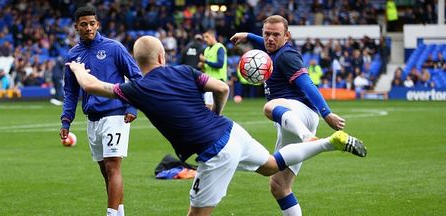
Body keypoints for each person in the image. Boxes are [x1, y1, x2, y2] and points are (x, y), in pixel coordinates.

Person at [66, 35, 367, 216]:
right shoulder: (184, 70)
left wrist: (79, 70)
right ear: (162, 56)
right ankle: (329, 142)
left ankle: (329, 143)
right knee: (272, 166)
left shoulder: (137, 88)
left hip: (215, 152)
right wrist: (216, 114)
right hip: (232, 130)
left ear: (136, 59)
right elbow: (222, 88)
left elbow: (94, 87)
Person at [230, 15, 357, 216]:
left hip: (300, 113)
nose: (270, 39)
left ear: (287, 36)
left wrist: (327, 113)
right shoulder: (271, 49)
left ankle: (309, 138)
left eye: (276, 35)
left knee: (269, 107)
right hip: (290, 118)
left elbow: (307, 83)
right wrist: (247, 35)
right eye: (266, 34)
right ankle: (311, 139)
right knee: (279, 185)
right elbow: (263, 41)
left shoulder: (287, 56)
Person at [59, 6, 142, 216]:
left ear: (98, 24)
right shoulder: (73, 55)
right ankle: (120, 212)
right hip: (92, 119)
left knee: (113, 168)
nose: (89, 28)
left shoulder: (114, 48)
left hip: (115, 115)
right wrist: (66, 120)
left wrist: (133, 106)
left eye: (92, 23)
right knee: (106, 171)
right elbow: (70, 92)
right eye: (84, 24)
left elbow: (137, 78)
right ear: (76, 27)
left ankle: (111, 214)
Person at [199, 29, 227, 109]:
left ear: (213, 37)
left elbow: (220, 64)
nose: (205, 39)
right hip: (208, 81)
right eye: (204, 37)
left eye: (207, 37)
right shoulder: (206, 49)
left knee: (213, 107)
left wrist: (206, 61)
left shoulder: (219, 47)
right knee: (209, 106)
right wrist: (202, 65)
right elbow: (207, 67)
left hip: (218, 81)